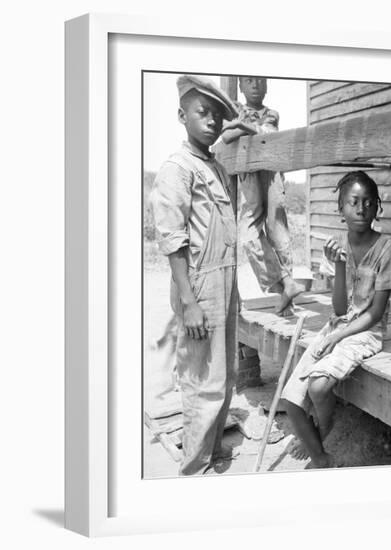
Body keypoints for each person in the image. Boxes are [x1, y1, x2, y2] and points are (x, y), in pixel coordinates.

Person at [281, 171, 391, 468]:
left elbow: (375, 314)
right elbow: (337, 310)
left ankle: (325, 426)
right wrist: (338, 264)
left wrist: (337, 337)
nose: (361, 209)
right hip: (336, 326)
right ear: (341, 209)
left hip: (366, 332)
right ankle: (322, 458)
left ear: (377, 208)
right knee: (290, 403)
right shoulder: (336, 246)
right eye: (353, 202)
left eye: (368, 203)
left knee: (319, 386)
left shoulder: (388, 251)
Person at [150, 74, 240, 475]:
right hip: (199, 286)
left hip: (226, 280)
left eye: (218, 117)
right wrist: (188, 302)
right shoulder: (177, 168)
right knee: (201, 380)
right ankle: (194, 469)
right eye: (203, 113)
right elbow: (172, 239)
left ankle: (212, 450)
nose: (212, 122)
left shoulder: (213, 165)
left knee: (223, 375)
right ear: (181, 115)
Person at [221, 76, 304, 316]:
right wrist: (237, 126)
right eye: (249, 81)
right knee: (249, 235)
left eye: (260, 81)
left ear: (267, 86)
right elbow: (225, 137)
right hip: (249, 172)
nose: (255, 85)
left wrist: (241, 126)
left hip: (271, 172)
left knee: (277, 229)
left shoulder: (271, 113)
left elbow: (268, 133)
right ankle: (286, 284)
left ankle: (287, 297)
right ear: (241, 87)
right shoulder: (235, 109)